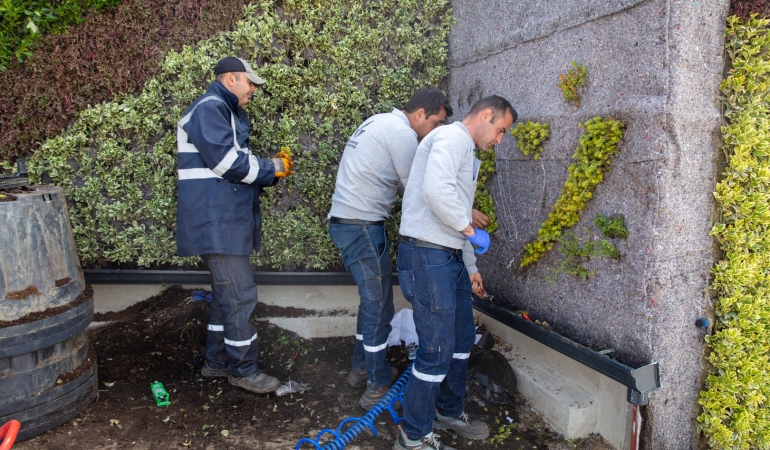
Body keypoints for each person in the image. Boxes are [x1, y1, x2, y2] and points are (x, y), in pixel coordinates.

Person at [395, 95, 517, 449]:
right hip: (428, 253)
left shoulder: (464, 148)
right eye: (500, 130)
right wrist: (469, 230)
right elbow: (437, 192)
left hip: (449, 257)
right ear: (485, 115)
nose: (499, 140)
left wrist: (470, 265)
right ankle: (412, 436)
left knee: (462, 338)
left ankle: (447, 412)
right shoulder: (451, 138)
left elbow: (455, 207)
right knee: (436, 348)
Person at [328, 86, 453, 409]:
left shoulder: (380, 121)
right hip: (362, 226)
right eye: (437, 123)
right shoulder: (402, 134)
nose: (435, 131)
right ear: (420, 114)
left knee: (374, 303)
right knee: (377, 306)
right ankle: (377, 383)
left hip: (349, 222)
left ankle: (360, 369)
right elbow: (417, 189)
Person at [176, 56, 294, 395]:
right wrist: (273, 167)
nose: (254, 88)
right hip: (218, 225)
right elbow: (229, 164)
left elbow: (234, 165)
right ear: (230, 79)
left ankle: (215, 363)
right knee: (241, 297)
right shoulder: (210, 108)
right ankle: (244, 370)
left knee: (226, 297)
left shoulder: (222, 110)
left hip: (221, 223)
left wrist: (271, 170)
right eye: (249, 82)